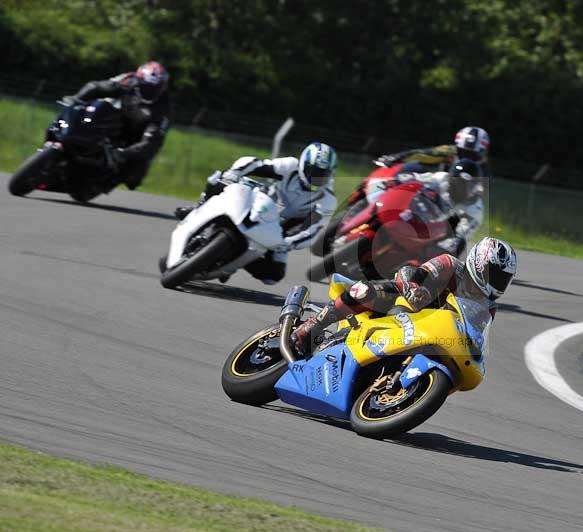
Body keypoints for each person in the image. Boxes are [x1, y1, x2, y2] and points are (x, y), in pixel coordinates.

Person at [293, 237, 517, 355]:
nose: (497, 283)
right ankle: (312, 326)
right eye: (495, 275)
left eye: (503, 279)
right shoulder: (450, 265)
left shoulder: (488, 307)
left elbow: (475, 337)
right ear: (479, 263)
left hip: (430, 334)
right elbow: (413, 272)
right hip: (403, 306)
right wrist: (413, 287)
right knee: (364, 290)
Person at [175, 142, 338, 284]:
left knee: (273, 276)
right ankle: (198, 208)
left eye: (322, 174)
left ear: (331, 174)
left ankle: (232, 265)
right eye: (312, 171)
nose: (316, 177)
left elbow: (313, 230)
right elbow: (255, 163)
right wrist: (235, 172)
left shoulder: (327, 199)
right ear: (303, 164)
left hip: (278, 231)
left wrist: (289, 243)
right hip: (258, 202)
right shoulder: (290, 166)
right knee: (217, 178)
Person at [64, 61, 171, 190]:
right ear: (140, 79)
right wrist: (76, 98)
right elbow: (98, 87)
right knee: (94, 107)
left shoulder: (163, 107)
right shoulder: (129, 80)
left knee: (133, 178)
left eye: (155, 88)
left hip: (136, 136)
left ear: (162, 87)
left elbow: (152, 141)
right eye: (147, 86)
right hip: (116, 120)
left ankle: (106, 179)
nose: (150, 90)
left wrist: (124, 153)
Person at [375, 126, 491, 176]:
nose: (466, 157)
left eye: (472, 155)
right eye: (463, 152)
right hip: (433, 193)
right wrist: (396, 158)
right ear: (456, 147)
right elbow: (422, 154)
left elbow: (484, 191)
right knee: (414, 168)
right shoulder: (448, 151)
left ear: (482, 153)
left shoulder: (484, 168)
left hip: (456, 203)